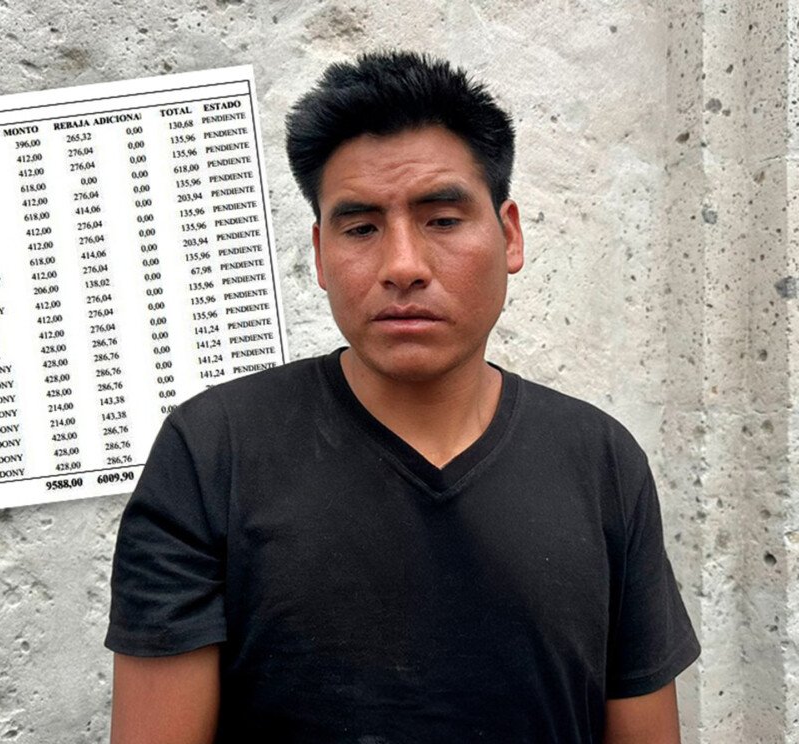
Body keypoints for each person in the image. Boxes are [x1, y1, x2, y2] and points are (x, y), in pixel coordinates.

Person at [105, 50, 700, 743]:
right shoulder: (213, 453)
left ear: (509, 234)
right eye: (361, 228)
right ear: (320, 254)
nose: (403, 266)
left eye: (442, 220)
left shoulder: (599, 461)